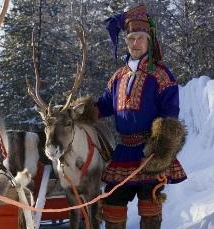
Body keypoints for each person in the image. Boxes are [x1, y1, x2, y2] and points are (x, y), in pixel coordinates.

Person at [92, 4, 187, 229]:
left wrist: (157, 152)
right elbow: (105, 105)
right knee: (112, 206)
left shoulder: (162, 75)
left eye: (140, 38)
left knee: (149, 209)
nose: (135, 43)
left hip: (150, 152)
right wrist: (80, 113)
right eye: (131, 38)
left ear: (149, 41)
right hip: (124, 151)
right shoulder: (118, 77)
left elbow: (170, 117)